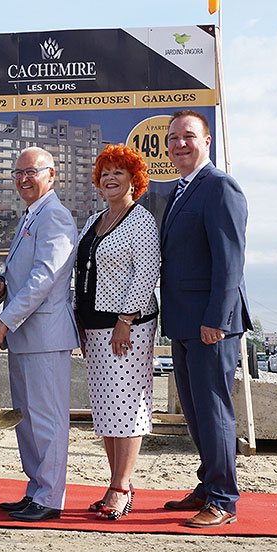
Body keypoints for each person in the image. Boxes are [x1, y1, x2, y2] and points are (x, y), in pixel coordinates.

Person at [159, 110, 251, 528]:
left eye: (188, 136)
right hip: (183, 321)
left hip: (211, 324)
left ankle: (223, 500)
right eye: (173, 138)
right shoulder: (180, 190)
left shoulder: (219, 186)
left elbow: (230, 260)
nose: (179, 144)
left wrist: (217, 319)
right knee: (196, 413)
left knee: (213, 410)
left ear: (207, 141)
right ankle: (208, 483)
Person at [0, 147, 80, 522]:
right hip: (25, 336)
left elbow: (44, 278)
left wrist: (6, 319)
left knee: (47, 420)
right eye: (18, 173)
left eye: (32, 172)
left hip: (45, 336)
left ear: (52, 175)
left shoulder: (55, 216)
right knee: (27, 421)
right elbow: (26, 275)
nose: (23, 179)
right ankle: (36, 490)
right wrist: (3, 282)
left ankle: (50, 498)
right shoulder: (30, 215)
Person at [74, 144, 160, 520]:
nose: (110, 178)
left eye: (118, 173)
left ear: (134, 180)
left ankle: (122, 487)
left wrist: (125, 320)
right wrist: (78, 320)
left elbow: (147, 272)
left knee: (126, 406)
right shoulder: (94, 220)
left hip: (127, 328)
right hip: (94, 327)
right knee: (107, 409)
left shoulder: (141, 220)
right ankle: (114, 482)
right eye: (105, 173)